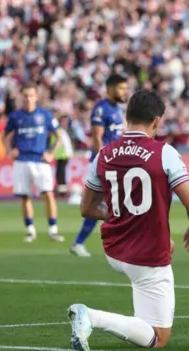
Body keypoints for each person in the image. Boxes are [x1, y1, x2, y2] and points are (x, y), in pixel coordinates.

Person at [67, 89, 189, 351]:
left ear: (127, 117)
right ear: (156, 121)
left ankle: (98, 318)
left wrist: (119, 215)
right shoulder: (165, 153)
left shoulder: (104, 154)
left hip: (115, 250)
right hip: (148, 255)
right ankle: (91, 316)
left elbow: (87, 208)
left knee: (145, 318)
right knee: (158, 337)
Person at [71, 74, 129, 258]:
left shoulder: (117, 110)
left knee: (108, 204)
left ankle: (82, 242)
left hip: (115, 162)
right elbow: (97, 136)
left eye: (125, 88)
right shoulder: (101, 109)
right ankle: (84, 242)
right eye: (121, 88)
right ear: (110, 89)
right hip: (105, 163)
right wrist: (103, 161)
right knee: (104, 204)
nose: (124, 91)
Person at [4, 84, 67, 243]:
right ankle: (30, 230)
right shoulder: (16, 116)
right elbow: (4, 136)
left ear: (36, 97)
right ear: (21, 97)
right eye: (25, 95)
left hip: (40, 160)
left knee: (48, 194)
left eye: (31, 95)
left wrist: (51, 154)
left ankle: (53, 229)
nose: (28, 98)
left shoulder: (45, 115)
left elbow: (58, 135)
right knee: (25, 196)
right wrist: (10, 150)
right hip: (22, 160)